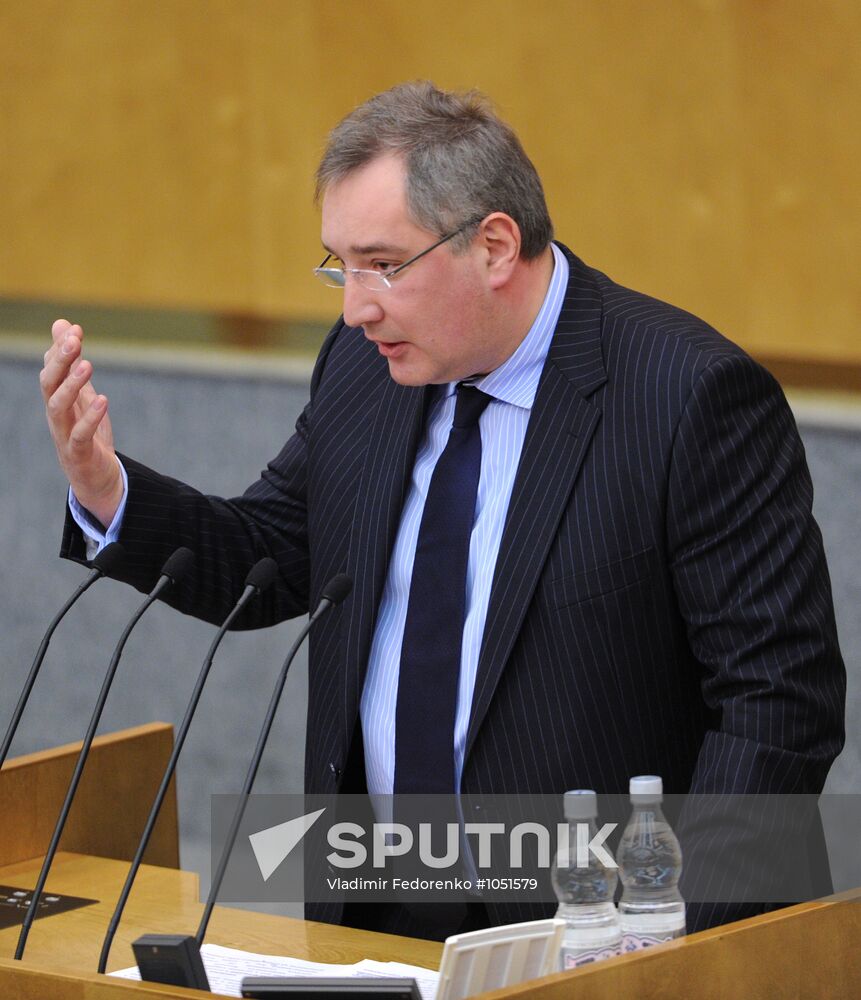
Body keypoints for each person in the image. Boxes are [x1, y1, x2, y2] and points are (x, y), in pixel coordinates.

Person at [40, 81, 845, 940]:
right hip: (377, 903)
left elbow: (774, 705)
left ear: (494, 245)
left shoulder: (686, 397)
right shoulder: (366, 366)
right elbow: (269, 554)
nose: (355, 307)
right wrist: (102, 486)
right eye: (338, 266)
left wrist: (669, 936)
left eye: (383, 265)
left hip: (598, 927)